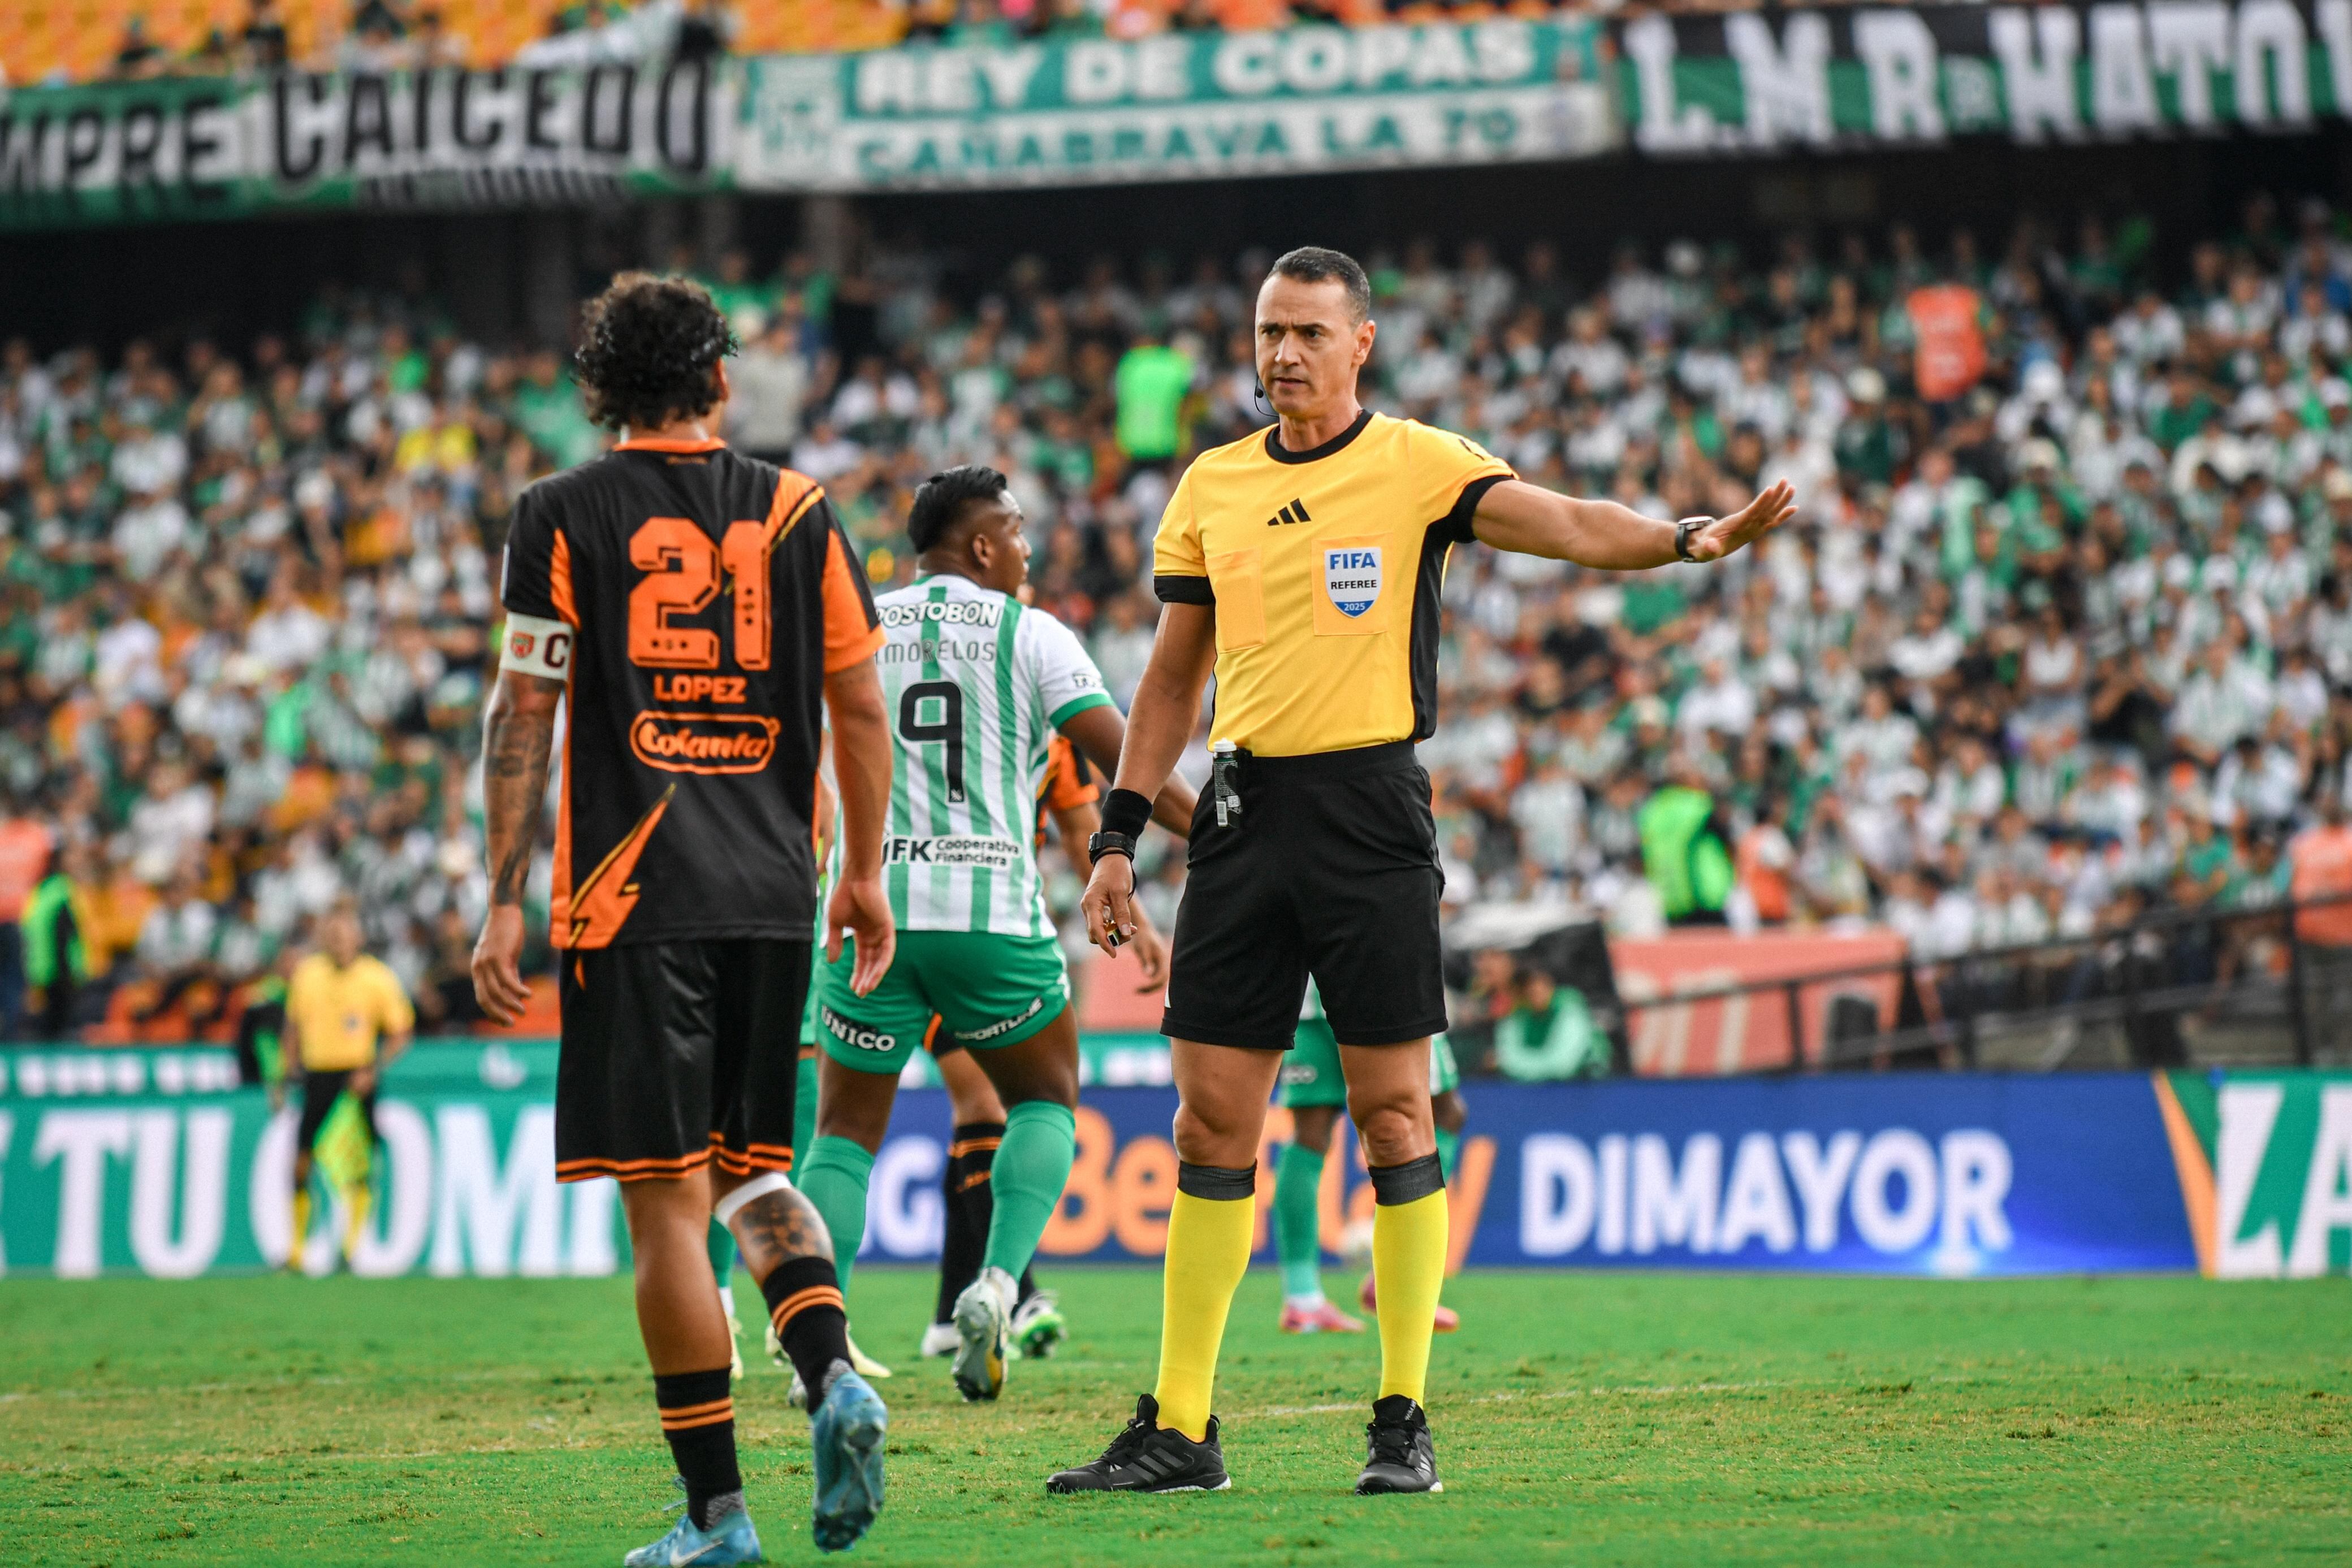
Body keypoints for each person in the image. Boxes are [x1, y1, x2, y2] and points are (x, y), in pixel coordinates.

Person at [1048, 245, 1792, 1497]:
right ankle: (1180, 1425)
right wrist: (1119, 836)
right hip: (1238, 815)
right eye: (1267, 329)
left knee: (1394, 1114)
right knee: (1209, 1120)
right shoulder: (1211, 486)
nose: (1282, 352)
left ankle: (1401, 1420)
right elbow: (1172, 679)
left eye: (1307, 331)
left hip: (1370, 815)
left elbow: (1558, 522)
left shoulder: (1418, 465)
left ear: (1361, 345)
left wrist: (1682, 540)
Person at [470, 273, 894, 1564]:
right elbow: (861, 708)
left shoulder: (558, 514)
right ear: (717, 382)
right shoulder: (799, 510)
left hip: (633, 902)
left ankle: (718, 1516)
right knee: (755, 1173)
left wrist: (498, 896)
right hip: (772, 892)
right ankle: (831, 1375)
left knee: (663, 1210)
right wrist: (862, 872)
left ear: (596, 392)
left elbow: (522, 713)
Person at [796, 463, 1194, 1405]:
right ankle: (998, 1284)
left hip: (868, 912)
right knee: (1048, 1097)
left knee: (844, 1135)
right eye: (1016, 532)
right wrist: (1220, 826)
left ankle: (821, 1347)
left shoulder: (854, 624)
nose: (1026, 547)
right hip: (991, 917)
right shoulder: (1032, 633)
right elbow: (1123, 755)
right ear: (980, 545)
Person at [919, 732, 1102, 1363]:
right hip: (979, 928)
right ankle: (1015, 1292)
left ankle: (949, 1311)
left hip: (932, 916)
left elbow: (1082, 829)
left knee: (973, 1113)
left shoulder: (1046, 719)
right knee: (988, 1107)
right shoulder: (1048, 706)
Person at [1269, 980, 1465, 1336]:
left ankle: (1302, 1298)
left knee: (1308, 1135)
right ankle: (1394, 1281)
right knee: (1444, 1115)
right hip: (1384, 987)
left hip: (1310, 997)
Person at [283, 902, 413, 1272]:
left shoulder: (377, 977)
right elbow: (292, 1026)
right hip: (317, 1075)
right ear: (323, 937)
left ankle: (350, 1248)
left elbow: (400, 1031)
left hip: (356, 1077)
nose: (339, 942)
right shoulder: (307, 974)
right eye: (332, 935)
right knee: (302, 1161)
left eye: (345, 935)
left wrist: (374, 1067)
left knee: (357, 1165)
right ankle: (295, 1252)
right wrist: (288, 1066)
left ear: (358, 938)